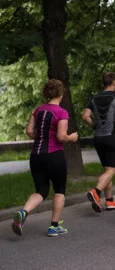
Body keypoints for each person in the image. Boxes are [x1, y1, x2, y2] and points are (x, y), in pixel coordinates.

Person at [11, 79, 78, 237]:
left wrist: (41, 137)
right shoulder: (61, 112)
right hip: (54, 156)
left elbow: (29, 131)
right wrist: (72, 137)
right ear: (61, 93)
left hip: (36, 156)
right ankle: (54, 226)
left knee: (41, 190)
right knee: (59, 190)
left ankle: (24, 212)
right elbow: (61, 137)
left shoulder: (38, 110)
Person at [82, 72, 115, 212]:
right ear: (113, 82)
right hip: (111, 136)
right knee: (111, 170)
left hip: (98, 138)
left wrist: (94, 126)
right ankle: (96, 192)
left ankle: (109, 201)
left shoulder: (93, 98)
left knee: (107, 169)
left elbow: (85, 116)